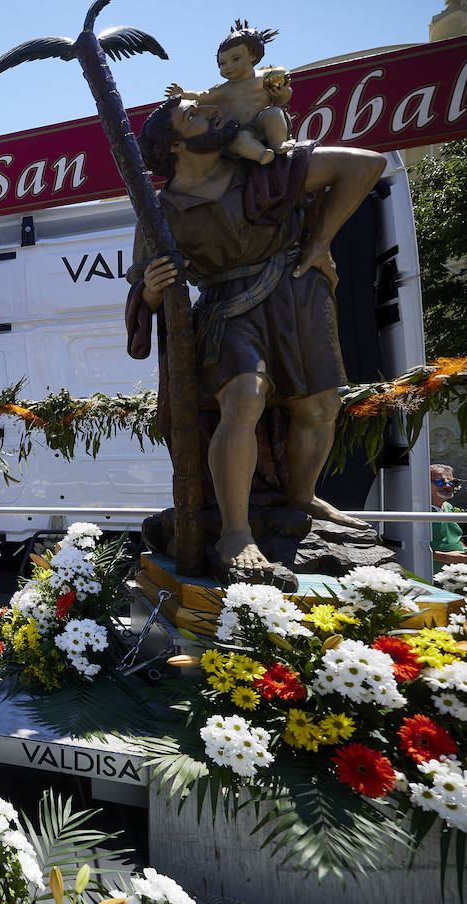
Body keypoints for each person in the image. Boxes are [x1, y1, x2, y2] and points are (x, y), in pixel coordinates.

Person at [128, 95, 386, 580]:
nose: (213, 112)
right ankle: (234, 531)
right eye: (194, 114)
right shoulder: (160, 212)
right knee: (243, 398)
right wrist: (155, 290)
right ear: (176, 144)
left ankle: (302, 497)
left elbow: (366, 165)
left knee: (319, 407)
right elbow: (143, 285)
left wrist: (320, 241)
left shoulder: (266, 171)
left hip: (294, 291)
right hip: (228, 306)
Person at [165, 20, 293, 166]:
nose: (228, 67)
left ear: (253, 56)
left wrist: (282, 92)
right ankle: (262, 154)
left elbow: (281, 99)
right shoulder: (223, 89)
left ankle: (279, 142)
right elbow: (202, 96)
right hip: (239, 130)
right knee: (239, 139)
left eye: (235, 59)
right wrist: (183, 94)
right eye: (222, 63)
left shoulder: (266, 77)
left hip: (262, 123)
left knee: (274, 113)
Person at [431, 464, 467, 572]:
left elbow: (453, 536)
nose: (448, 486)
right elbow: (410, 550)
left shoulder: (448, 507)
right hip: (432, 577)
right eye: (439, 482)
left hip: (456, 573)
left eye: (452, 482)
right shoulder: (417, 512)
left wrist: (463, 549)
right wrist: (445, 557)